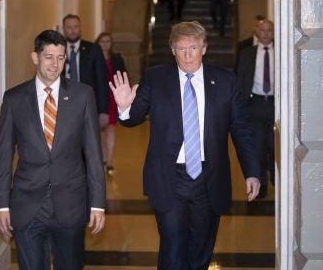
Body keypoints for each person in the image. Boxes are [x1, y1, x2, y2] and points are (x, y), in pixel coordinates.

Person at [109, 21, 261, 269]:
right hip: (169, 177)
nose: (187, 54)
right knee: (173, 247)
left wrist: (252, 171)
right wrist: (125, 107)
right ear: (172, 50)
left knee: (200, 251)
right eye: (181, 48)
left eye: (193, 47)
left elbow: (242, 128)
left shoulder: (225, 81)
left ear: (204, 48)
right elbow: (133, 118)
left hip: (208, 178)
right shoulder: (156, 78)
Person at [0, 29, 106, 269]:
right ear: (35, 57)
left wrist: (97, 203)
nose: (55, 64)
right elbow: (3, 156)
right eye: (48, 56)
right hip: (27, 205)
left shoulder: (83, 95)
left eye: (60, 57)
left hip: (71, 204)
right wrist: (2, 205)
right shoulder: (14, 99)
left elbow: (94, 155)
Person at [236, 19, 275, 198]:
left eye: (269, 30)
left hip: (276, 105)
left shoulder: (283, 53)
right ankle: (262, 184)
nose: (266, 33)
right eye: (263, 30)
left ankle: (277, 179)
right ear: (256, 31)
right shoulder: (247, 54)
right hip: (255, 105)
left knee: (274, 145)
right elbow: (240, 81)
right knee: (258, 146)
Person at [63, 14, 109, 129]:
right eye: (69, 27)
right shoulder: (57, 49)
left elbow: (101, 80)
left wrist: (103, 110)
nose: (73, 31)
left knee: (88, 141)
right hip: (63, 104)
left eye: (75, 27)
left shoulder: (93, 49)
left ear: (80, 28)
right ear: (64, 30)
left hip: (88, 104)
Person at [95, 32, 126, 175]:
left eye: (108, 41)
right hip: (98, 96)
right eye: (102, 41)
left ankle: (110, 160)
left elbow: (124, 77)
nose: (106, 44)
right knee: (100, 129)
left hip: (113, 96)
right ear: (98, 42)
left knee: (111, 127)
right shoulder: (93, 57)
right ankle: (103, 156)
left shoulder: (117, 59)